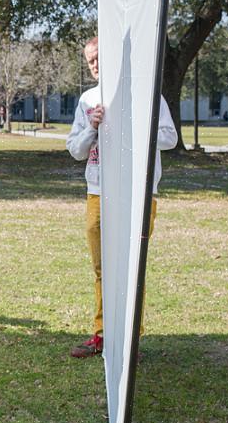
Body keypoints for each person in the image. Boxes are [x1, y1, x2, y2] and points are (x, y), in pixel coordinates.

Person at [65, 36, 177, 358]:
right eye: (90, 61)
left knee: (131, 268)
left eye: (100, 57)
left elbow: (169, 138)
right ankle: (101, 334)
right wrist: (93, 128)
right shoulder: (88, 100)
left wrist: (135, 124)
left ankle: (131, 339)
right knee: (102, 268)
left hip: (137, 193)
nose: (96, 64)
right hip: (99, 192)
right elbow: (75, 150)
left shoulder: (146, 94)